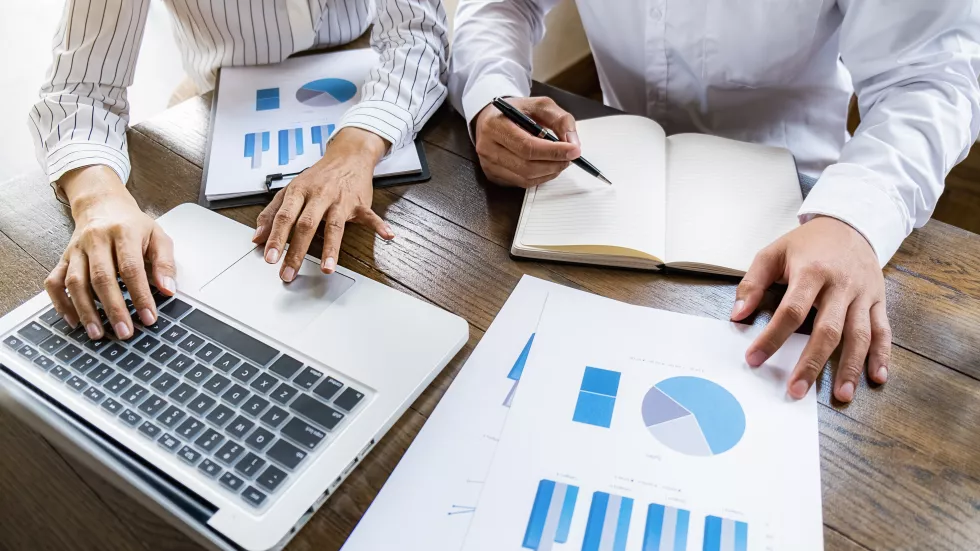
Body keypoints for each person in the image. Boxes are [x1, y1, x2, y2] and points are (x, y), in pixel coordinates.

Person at [449, 0, 980, 402]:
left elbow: (932, 76)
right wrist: (492, 98)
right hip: (613, 188)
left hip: (805, 205)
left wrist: (857, 216)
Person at [29, 0, 448, 344]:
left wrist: (356, 148)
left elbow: (417, 35)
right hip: (214, 100)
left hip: (367, 80)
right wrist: (98, 200)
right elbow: (78, 93)